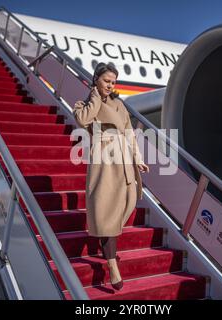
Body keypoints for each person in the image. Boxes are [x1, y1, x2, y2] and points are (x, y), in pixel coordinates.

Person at [72, 62, 149, 290]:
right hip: (104, 163)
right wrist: (95, 97)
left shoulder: (119, 104)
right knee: (105, 216)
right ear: (96, 79)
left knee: (129, 202)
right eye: (106, 81)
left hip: (123, 159)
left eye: (113, 82)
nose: (110, 85)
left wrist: (139, 159)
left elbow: (129, 134)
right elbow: (83, 120)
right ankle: (112, 266)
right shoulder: (84, 104)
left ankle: (109, 245)